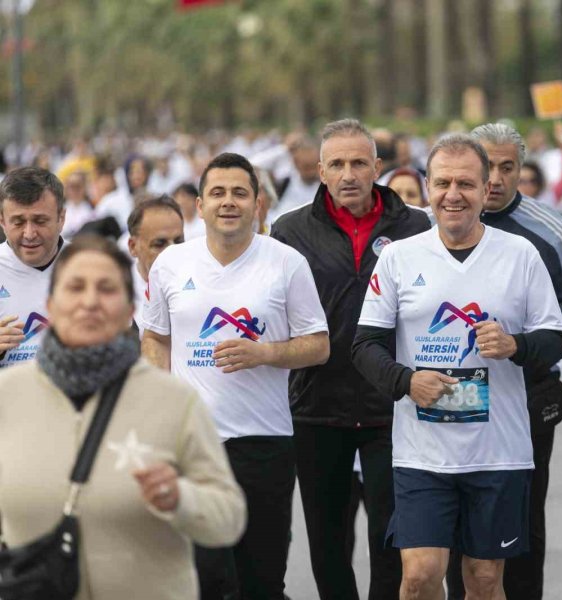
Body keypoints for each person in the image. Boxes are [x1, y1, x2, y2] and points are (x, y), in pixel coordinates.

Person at [351, 134, 562, 600]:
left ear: (487, 186)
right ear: (428, 187)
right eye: (444, 182)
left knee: (485, 579)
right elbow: (364, 345)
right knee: (420, 575)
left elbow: (553, 341)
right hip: (422, 451)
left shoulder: (520, 254)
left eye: (466, 183)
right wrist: (407, 381)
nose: (454, 194)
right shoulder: (399, 257)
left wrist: (515, 344)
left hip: (499, 449)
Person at [0, 234, 246, 600]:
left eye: (107, 289)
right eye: (75, 287)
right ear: (51, 304)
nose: (90, 302)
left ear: (131, 308)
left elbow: (228, 519)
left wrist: (181, 498)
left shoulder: (174, 400)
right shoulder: (9, 395)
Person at [142, 152, 330, 600]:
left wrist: (264, 352)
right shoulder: (171, 265)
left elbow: (319, 346)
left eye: (240, 193)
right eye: (218, 193)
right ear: (200, 204)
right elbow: (155, 339)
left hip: (264, 443)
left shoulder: (286, 263)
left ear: (258, 203)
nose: (229, 203)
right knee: (204, 578)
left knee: (260, 582)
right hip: (193, 444)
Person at [270, 119, 430, 600]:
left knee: (390, 535)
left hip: (391, 405)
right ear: (319, 171)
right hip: (319, 406)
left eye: (359, 162)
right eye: (336, 164)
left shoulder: (415, 225)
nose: (348, 174)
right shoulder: (290, 230)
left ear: (378, 167)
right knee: (328, 541)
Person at [452, 122, 562, 600]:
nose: (494, 178)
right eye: (486, 167)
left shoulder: (546, 227)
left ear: (521, 170)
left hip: (526, 392)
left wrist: (529, 330)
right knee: (455, 515)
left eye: (507, 167)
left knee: (521, 516)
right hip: (450, 392)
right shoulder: (440, 223)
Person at [0, 167, 67, 369]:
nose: (29, 234)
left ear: (61, 218)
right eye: (18, 222)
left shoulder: (90, 265)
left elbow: (128, 347)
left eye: (40, 221)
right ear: (2, 221)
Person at [126, 195, 184, 337]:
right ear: (133, 247)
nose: (172, 251)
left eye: (179, 241)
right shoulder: (116, 294)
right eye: (159, 244)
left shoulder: (201, 283)